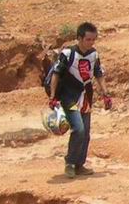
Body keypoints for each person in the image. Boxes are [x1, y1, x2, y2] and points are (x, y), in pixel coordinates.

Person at [47, 21, 112, 178]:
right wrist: (53, 96)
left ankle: (79, 164)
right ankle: (69, 163)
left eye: (93, 40)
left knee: (86, 132)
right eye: (88, 39)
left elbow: (98, 74)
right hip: (69, 96)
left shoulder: (94, 55)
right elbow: (56, 74)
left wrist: (105, 94)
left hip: (86, 97)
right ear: (79, 38)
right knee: (79, 128)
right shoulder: (68, 54)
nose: (91, 43)